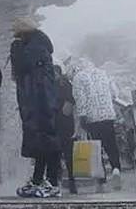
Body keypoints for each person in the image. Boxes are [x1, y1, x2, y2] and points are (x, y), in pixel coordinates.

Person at [10, 17, 62, 198]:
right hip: (38, 102)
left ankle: (53, 182)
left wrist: (16, 51)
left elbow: (28, 72)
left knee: (48, 140)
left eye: (17, 35)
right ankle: (39, 179)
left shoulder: (32, 50)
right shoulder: (37, 47)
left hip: (40, 103)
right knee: (42, 141)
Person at [70, 57, 122, 191]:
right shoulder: (103, 73)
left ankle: (101, 179)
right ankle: (116, 169)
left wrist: (82, 117)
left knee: (95, 147)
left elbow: (80, 99)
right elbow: (115, 93)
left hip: (92, 117)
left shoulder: (78, 77)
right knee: (111, 144)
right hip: (108, 115)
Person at [54, 64, 78, 194]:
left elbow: (69, 103)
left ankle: (64, 181)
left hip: (60, 123)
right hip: (65, 123)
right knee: (66, 154)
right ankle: (70, 181)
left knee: (60, 153)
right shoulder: (67, 85)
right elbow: (70, 102)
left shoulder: (59, 85)